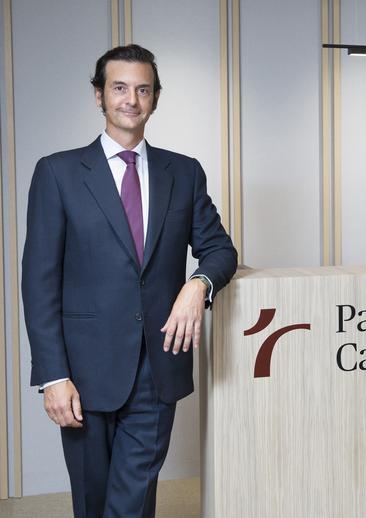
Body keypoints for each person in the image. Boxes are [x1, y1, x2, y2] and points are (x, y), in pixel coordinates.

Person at [21, 44, 237, 518]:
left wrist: (197, 285)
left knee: (132, 504)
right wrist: (53, 376)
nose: (131, 100)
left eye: (143, 89)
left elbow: (221, 250)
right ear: (99, 96)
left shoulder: (183, 172)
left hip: (157, 370)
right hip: (82, 373)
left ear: (155, 98)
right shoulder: (57, 173)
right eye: (119, 88)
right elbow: (39, 283)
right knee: (93, 503)